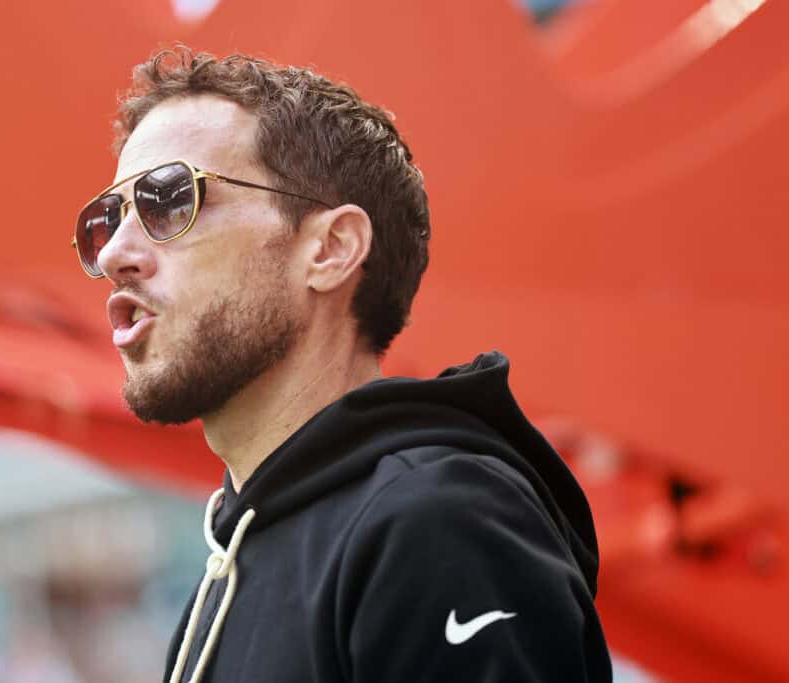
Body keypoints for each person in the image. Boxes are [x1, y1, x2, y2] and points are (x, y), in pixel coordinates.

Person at [72, 48, 612, 682]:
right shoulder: (231, 574)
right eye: (105, 220)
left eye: (169, 200)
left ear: (329, 249)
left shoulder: (435, 525)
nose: (114, 253)